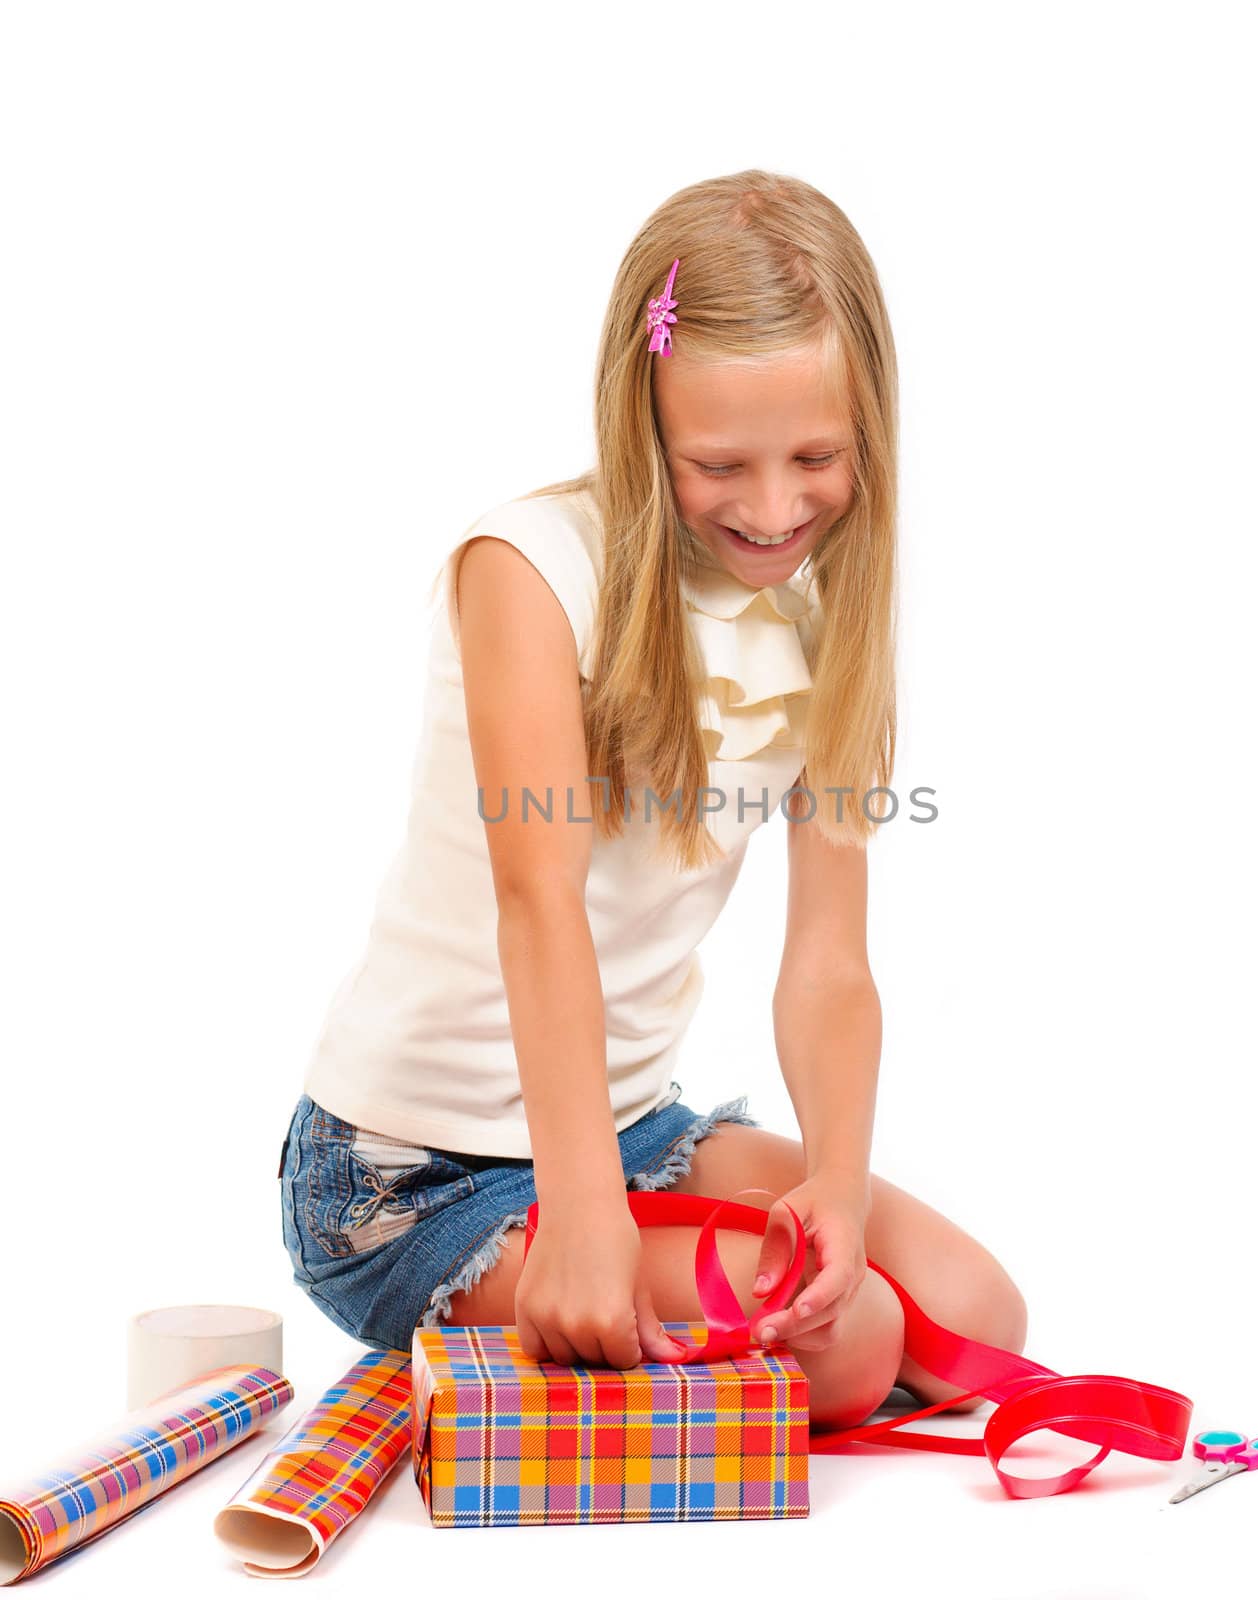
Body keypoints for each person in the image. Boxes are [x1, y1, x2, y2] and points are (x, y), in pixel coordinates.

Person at [278, 169, 1027, 1431]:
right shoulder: (526, 570)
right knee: (857, 1350)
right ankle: (550, 1309)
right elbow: (539, 903)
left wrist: (837, 1186)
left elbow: (831, 960)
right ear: (644, 424)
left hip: (632, 1131)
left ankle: (674, 1310)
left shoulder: (828, 598)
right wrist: (581, 1222)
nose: (777, 508)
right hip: (413, 1177)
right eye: (720, 464)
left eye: (818, 458)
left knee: (975, 1316)